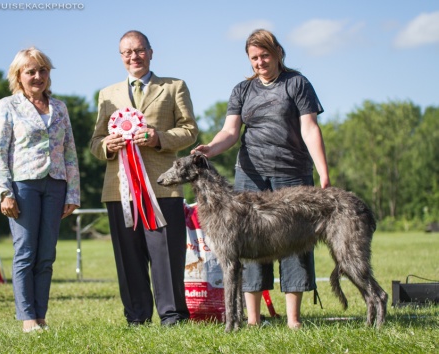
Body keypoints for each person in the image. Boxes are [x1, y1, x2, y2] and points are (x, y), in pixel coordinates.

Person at [194, 29, 331, 329]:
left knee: (295, 242)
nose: (260, 62)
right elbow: (230, 133)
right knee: (249, 244)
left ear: (278, 52)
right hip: (250, 178)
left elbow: (309, 129)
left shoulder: (297, 83)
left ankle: (293, 319)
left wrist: (322, 171)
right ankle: (253, 319)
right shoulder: (242, 90)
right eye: (254, 58)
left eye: (265, 55)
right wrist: (210, 149)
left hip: (292, 175)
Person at [90, 30, 198, 326]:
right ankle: (136, 317)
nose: (133, 57)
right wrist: (106, 146)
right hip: (119, 190)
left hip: (163, 188)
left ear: (151, 52)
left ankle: (173, 316)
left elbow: (190, 130)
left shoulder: (174, 86)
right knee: (129, 258)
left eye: (139, 51)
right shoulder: (107, 94)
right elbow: (95, 141)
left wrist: (158, 137)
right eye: (127, 52)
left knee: (166, 257)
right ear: (121, 57)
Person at [0, 47, 80, 333]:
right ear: (19, 75)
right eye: (31, 71)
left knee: (46, 255)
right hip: (22, 186)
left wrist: (73, 193)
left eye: (43, 70)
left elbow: (70, 152)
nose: (38, 76)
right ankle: (28, 318)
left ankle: (41, 316)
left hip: (56, 185)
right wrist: (4, 192)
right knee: (26, 252)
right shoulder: (8, 105)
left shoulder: (60, 107)